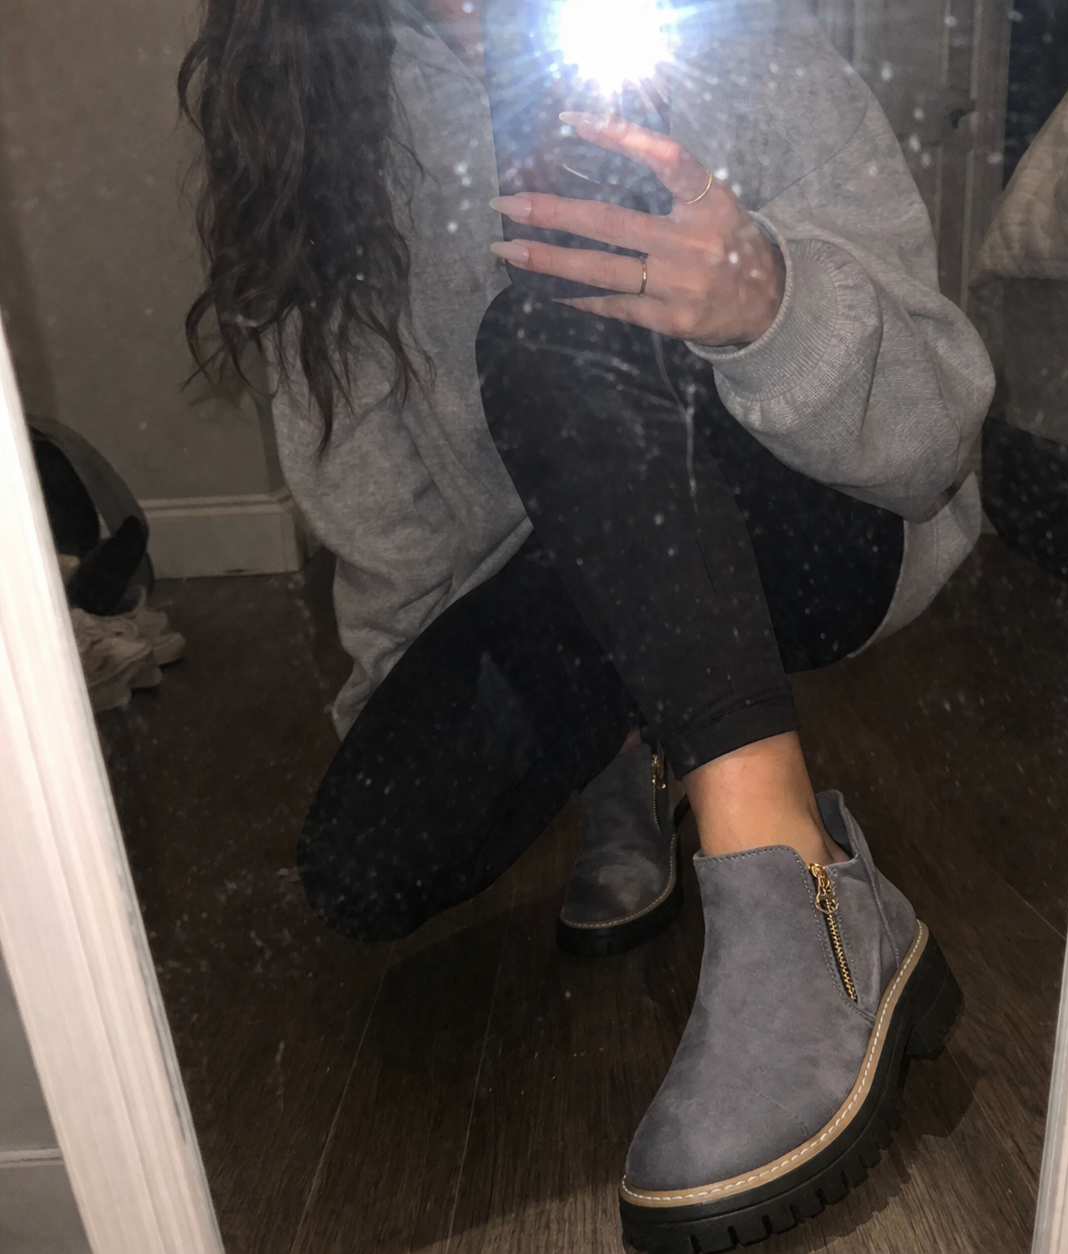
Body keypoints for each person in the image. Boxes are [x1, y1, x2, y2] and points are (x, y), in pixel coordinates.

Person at [179, 0, 993, 1247]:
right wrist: (430, 725)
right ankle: (643, 734)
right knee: (367, 861)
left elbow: (932, 448)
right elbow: (385, 518)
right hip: (567, 572)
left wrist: (764, 300)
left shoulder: (726, 34)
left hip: (822, 522)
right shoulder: (308, 106)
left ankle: (799, 885)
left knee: (561, 315)